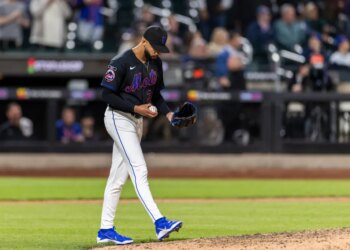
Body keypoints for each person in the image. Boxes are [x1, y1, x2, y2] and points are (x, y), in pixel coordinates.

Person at [97, 25, 182, 245]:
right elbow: (106, 94)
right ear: (144, 41)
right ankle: (160, 222)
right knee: (139, 169)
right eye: (155, 47)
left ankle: (105, 229)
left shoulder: (155, 63)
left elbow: (156, 96)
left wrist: (169, 113)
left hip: (137, 122)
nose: (157, 52)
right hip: (118, 118)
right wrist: (136, 109)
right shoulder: (121, 61)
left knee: (117, 178)